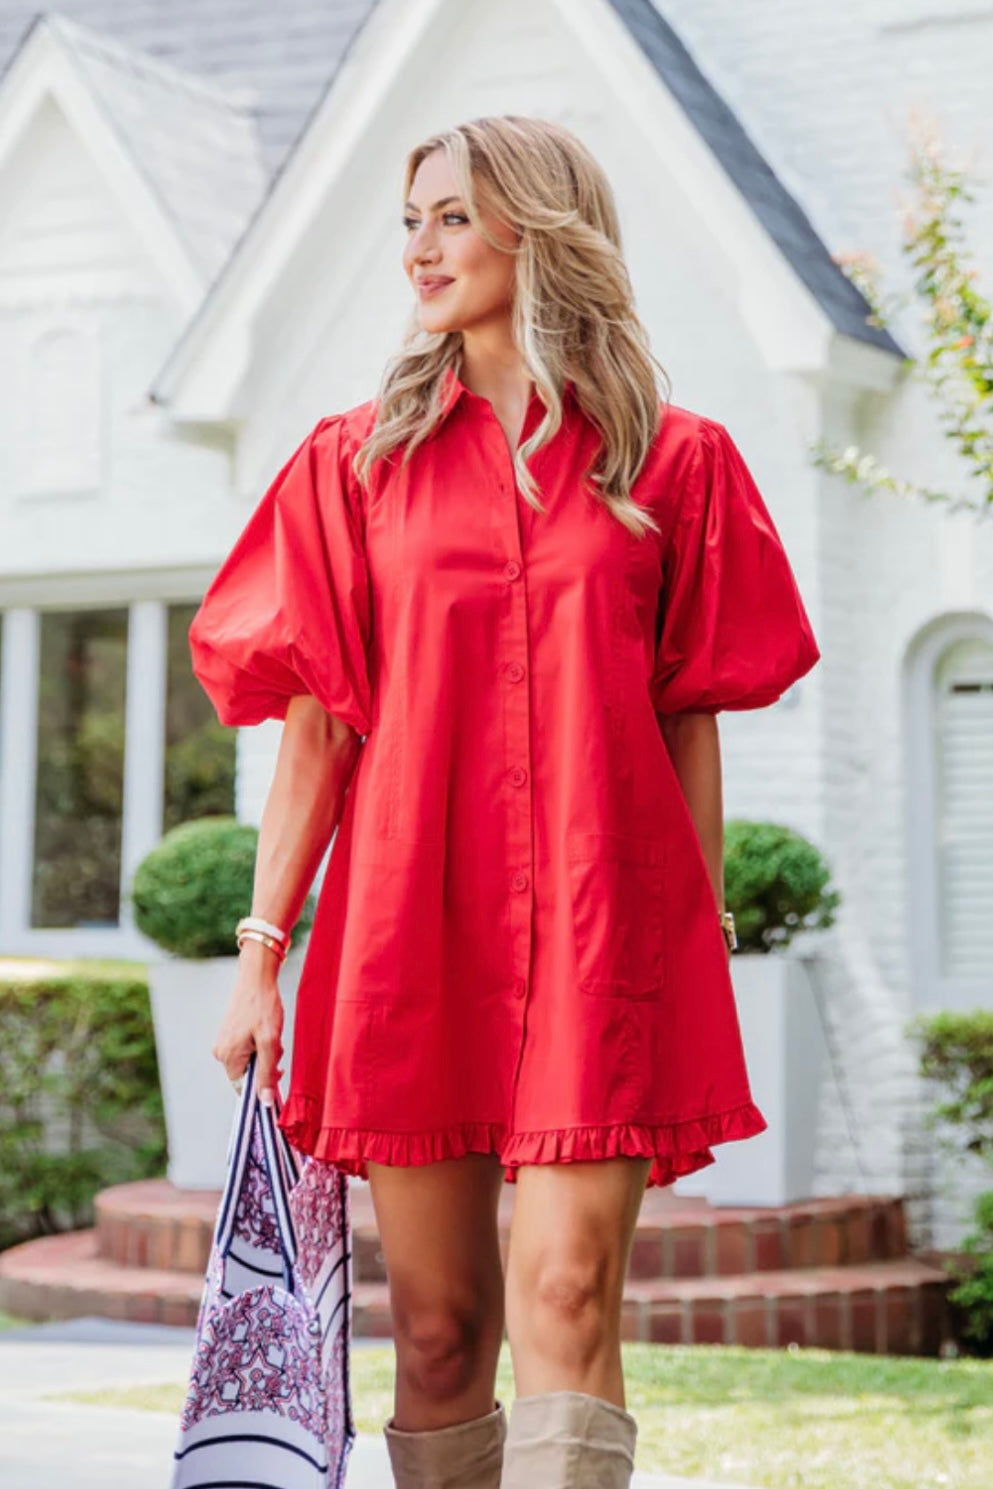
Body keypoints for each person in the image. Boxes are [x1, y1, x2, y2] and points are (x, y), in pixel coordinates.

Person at [189, 114, 820, 1489]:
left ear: (537, 226)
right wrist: (261, 953)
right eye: (409, 219)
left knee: (567, 1296)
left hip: (607, 937)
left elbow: (684, 718)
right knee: (435, 1329)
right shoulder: (352, 465)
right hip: (410, 930)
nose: (417, 247)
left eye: (450, 216)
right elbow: (317, 728)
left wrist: (687, 930)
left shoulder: (674, 460)